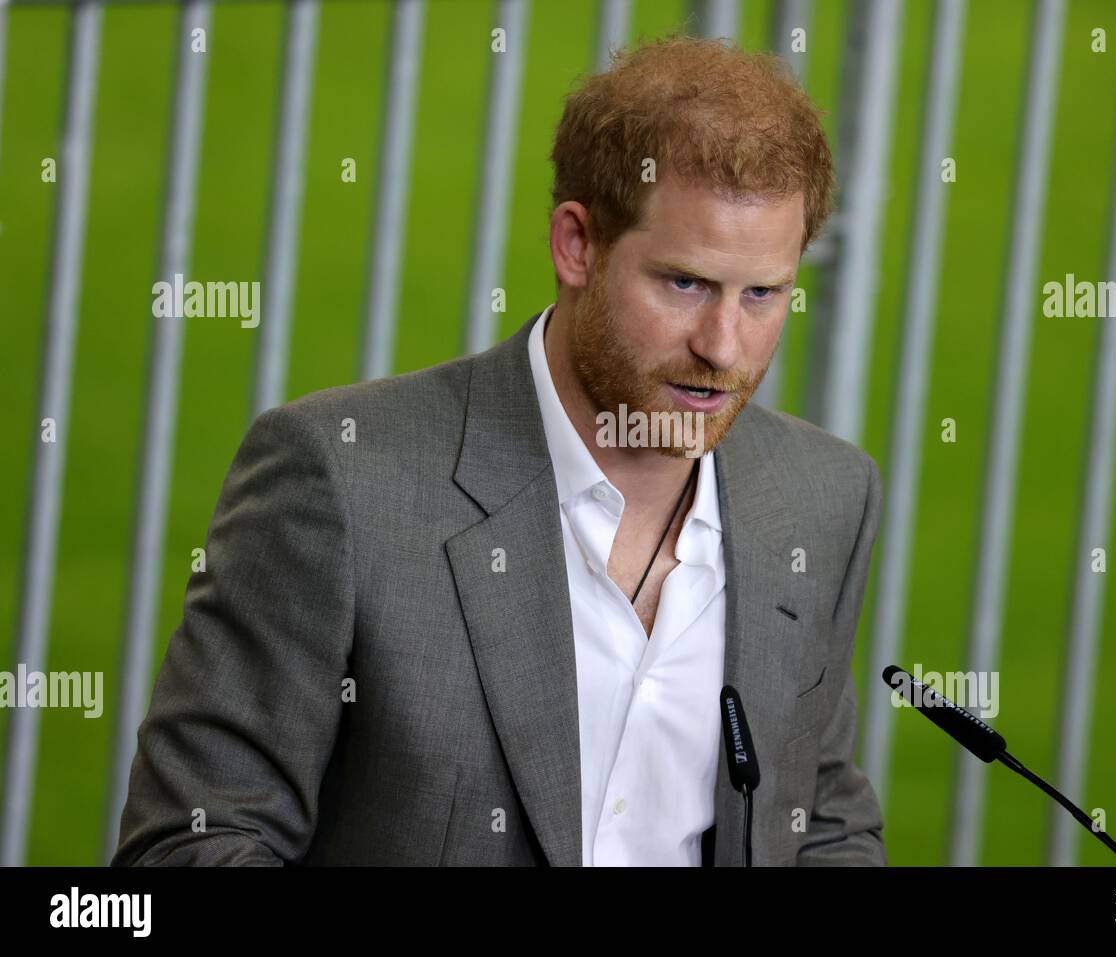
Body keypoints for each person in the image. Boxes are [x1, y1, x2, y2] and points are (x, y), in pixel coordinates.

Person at [113, 34, 885, 867]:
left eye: (763, 293)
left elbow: (822, 824)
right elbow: (192, 842)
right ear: (577, 245)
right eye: (685, 283)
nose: (725, 347)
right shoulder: (340, 479)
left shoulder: (823, 496)